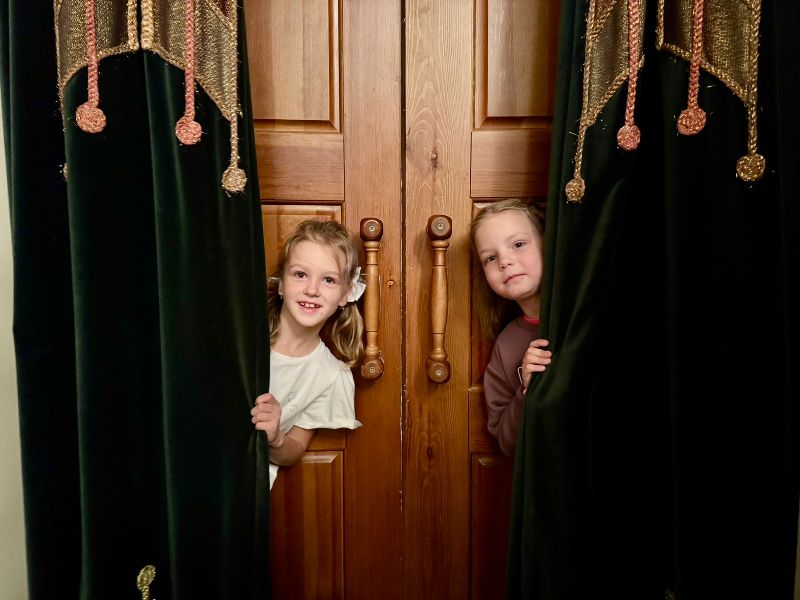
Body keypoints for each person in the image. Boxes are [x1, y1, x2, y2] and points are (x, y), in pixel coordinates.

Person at [251, 220, 365, 488]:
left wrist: (276, 438)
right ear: (281, 284)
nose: (312, 290)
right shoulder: (245, 337)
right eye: (300, 274)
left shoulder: (330, 376)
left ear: (345, 294)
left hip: (244, 489)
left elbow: (292, 451)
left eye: (329, 280)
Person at [470, 199, 551, 457]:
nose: (504, 262)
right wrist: (526, 391)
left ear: (547, 243)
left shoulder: (583, 317)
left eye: (518, 244)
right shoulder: (506, 345)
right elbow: (507, 443)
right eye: (491, 257)